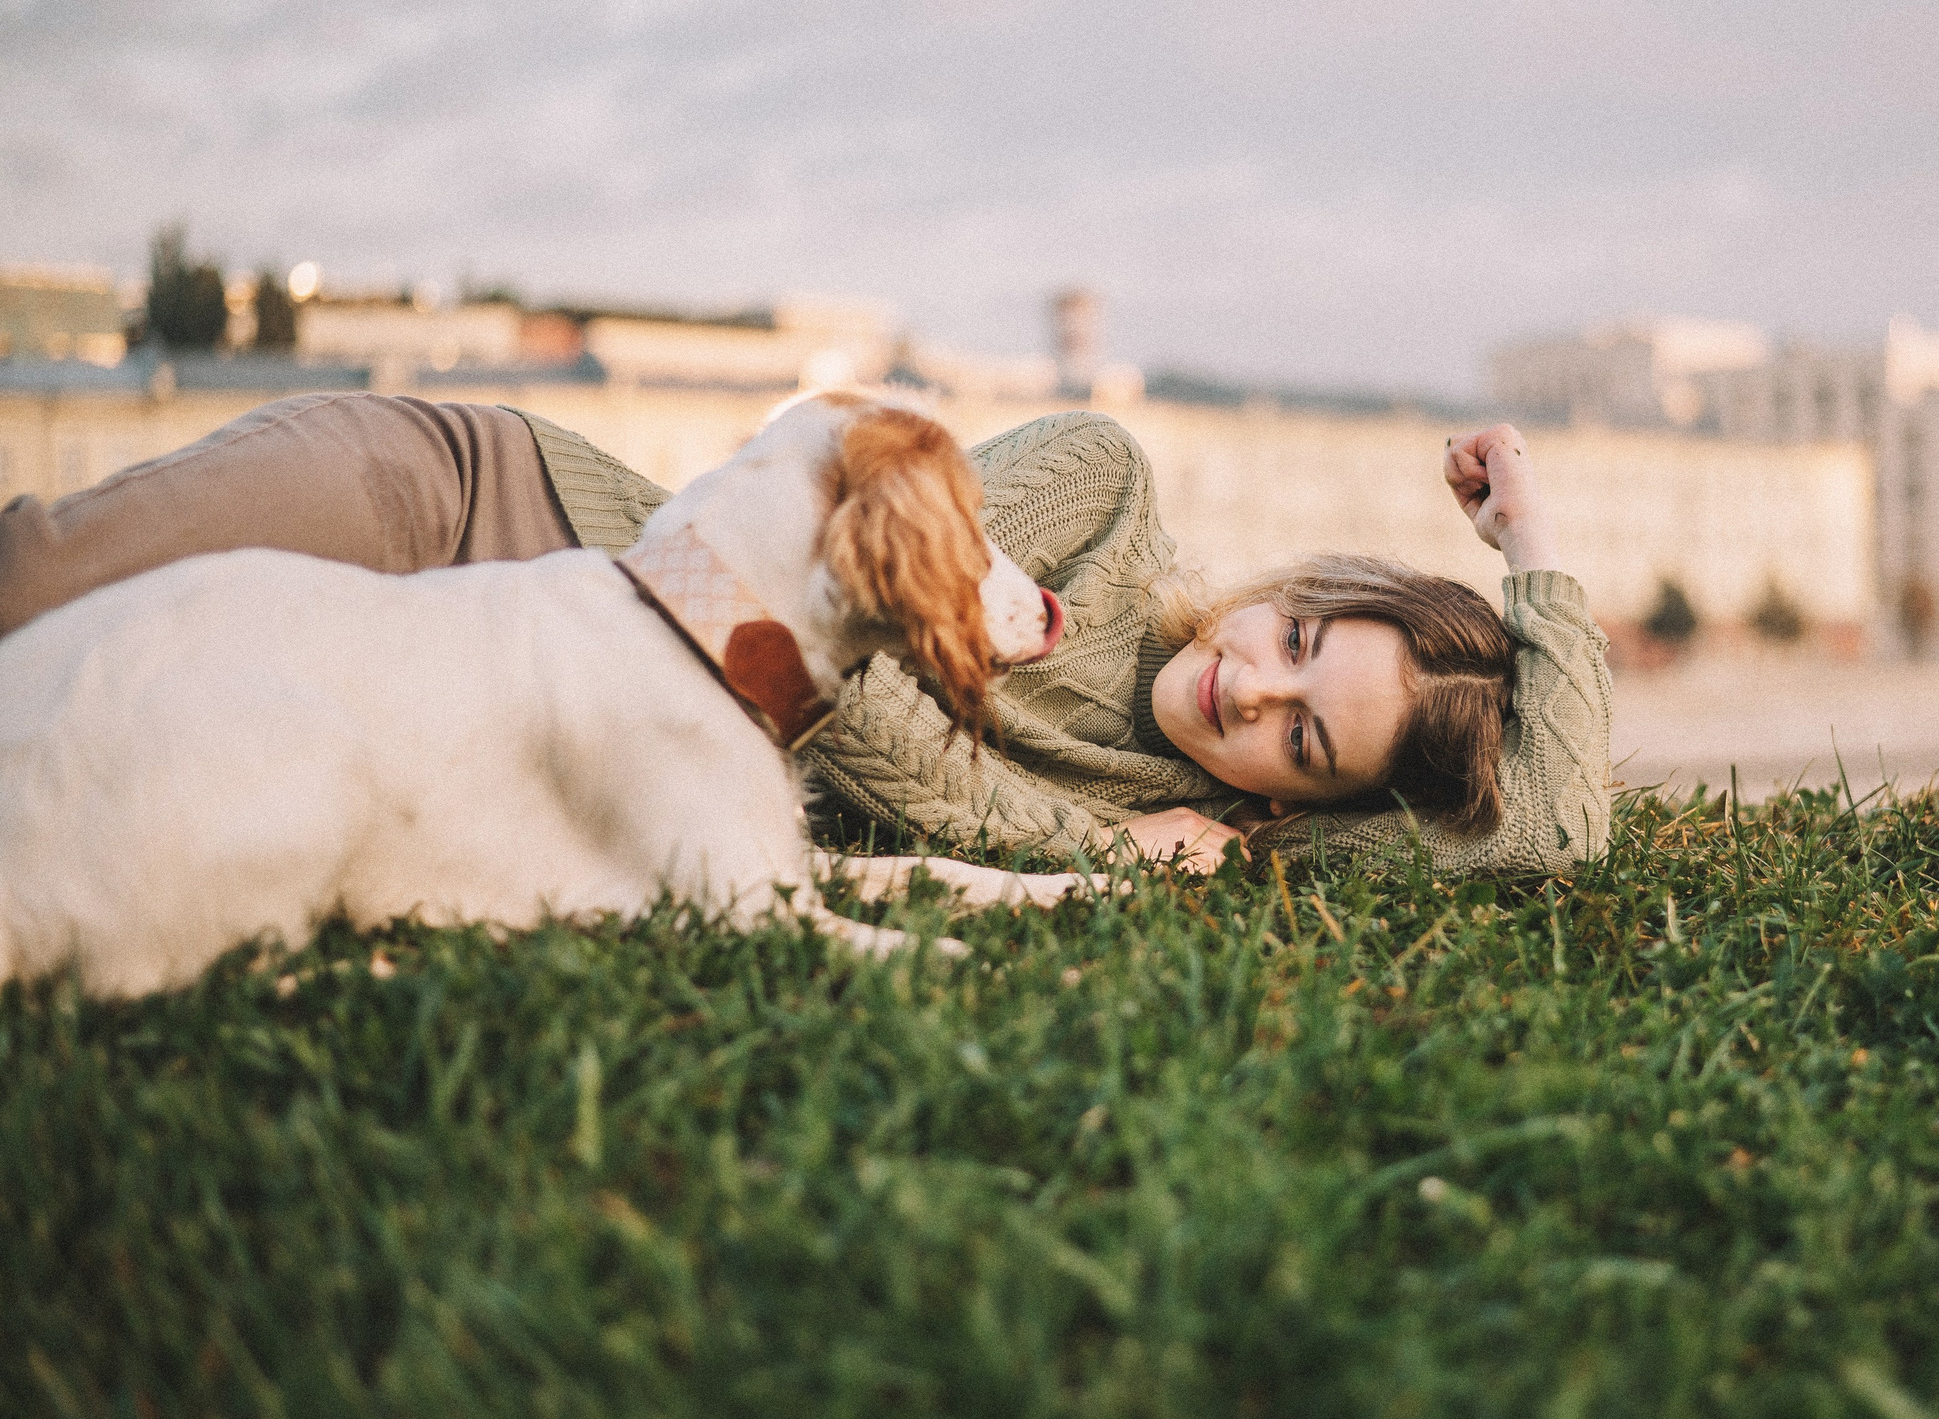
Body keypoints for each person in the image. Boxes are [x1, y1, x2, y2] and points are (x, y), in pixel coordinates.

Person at [0, 393, 1613, 876]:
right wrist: (1123, 859)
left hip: (475, 723)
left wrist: (1539, 561)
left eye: (1299, 730)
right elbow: (821, 654)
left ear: (1295, 805)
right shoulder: (1105, 502)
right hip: (484, 507)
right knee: (35, 588)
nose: (1247, 676)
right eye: (1301, 628)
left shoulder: (1211, 834)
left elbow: (1550, 825)